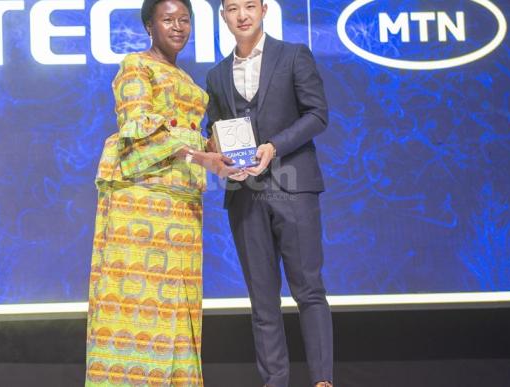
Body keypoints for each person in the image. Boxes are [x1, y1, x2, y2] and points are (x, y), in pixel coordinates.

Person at [85, 0, 239, 386]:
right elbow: (139, 129)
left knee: (176, 302)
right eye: (167, 19)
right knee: (136, 306)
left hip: (181, 205)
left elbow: (193, 142)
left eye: (184, 19)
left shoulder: (187, 80)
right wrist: (204, 156)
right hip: (141, 203)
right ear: (149, 26)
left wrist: (221, 151)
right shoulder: (135, 65)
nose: (178, 26)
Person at [205, 1, 333, 386]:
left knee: (308, 289)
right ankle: (275, 381)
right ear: (223, 17)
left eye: (249, 6)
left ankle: (323, 381)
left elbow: (317, 114)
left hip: (294, 189)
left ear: (263, 10)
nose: (241, 15)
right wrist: (213, 152)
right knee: (262, 301)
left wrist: (274, 146)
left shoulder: (294, 56)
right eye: (232, 8)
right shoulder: (216, 76)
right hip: (245, 195)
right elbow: (213, 130)